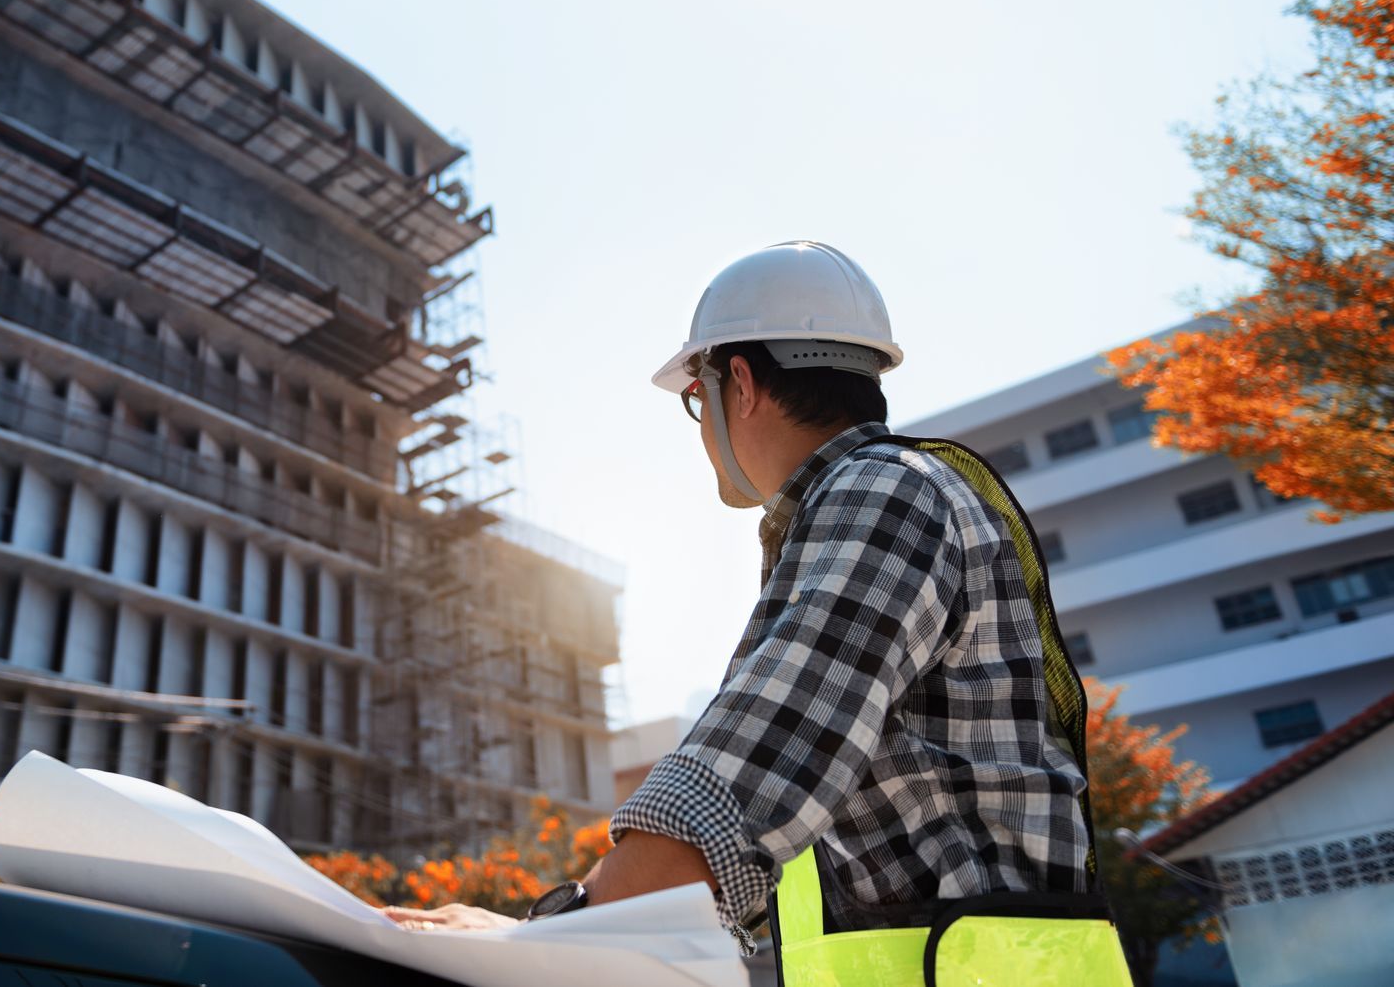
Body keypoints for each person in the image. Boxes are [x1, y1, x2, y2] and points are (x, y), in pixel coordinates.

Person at [386, 241, 1134, 985]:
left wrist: (545, 939)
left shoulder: (882, 496)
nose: (701, 429)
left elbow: (743, 777)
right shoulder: (873, 502)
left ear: (736, 382)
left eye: (692, 401)